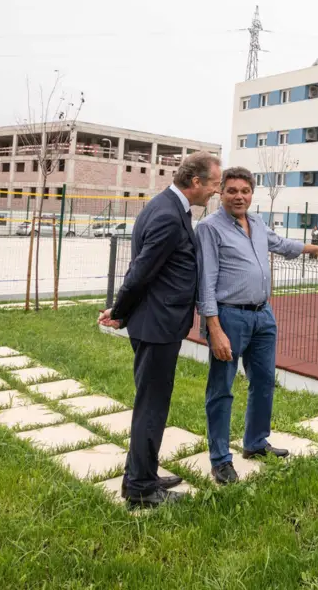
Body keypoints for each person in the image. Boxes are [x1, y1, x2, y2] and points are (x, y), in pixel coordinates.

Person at [197, 168, 318, 485]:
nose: (239, 196)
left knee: (264, 382)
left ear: (251, 193)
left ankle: (256, 443)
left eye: (245, 190)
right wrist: (214, 327)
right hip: (228, 317)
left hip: (263, 316)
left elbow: (281, 243)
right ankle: (220, 460)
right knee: (221, 389)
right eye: (232, 190)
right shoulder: (209, 228)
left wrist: (315, 249)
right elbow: (205, 281)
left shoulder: (258, 223)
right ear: (221, 192)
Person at [98, 151, 221, 509]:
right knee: (151, 408)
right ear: (195, 182)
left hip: (156, 322)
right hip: (157, 326)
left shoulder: (166, 206)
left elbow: (151, 272)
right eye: (213, 184)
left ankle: (144, 474)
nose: (215, 191)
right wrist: (120, 311)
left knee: (151, 405)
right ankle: (140, 488)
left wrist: (124, 311)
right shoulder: (169, 215)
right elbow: (140, 272)